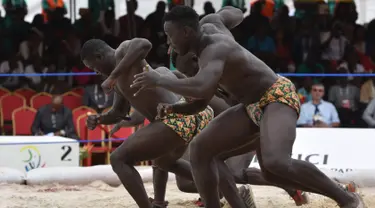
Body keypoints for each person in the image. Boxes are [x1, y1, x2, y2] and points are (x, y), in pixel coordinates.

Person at [129, 6, 365, 208]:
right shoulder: (210, 28)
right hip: (251, 106)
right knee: (202, 149)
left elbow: (201, 88)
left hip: (276, 96)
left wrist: (159, 79)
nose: (168, 43)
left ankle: (347, 199)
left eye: (170, 36)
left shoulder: (214, 49)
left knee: (276, 163)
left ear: (186, 32)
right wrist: (174, 110)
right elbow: (236, 14)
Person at [80, 38, 252, 208]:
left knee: (118, 158)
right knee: (163, 162)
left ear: (99, 56)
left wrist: (112, 76)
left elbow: (144, 44)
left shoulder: (123, 51)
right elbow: (118, 113)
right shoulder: (118, 83)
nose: (96, 72)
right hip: (188, 117)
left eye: (93, 67)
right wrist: (99, 119)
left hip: (177, 116)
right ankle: (226, 190)